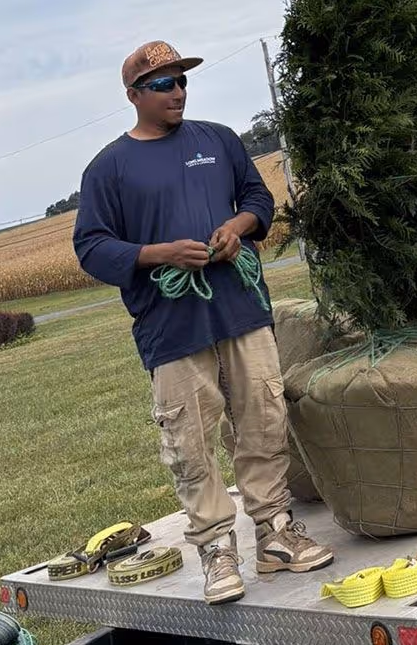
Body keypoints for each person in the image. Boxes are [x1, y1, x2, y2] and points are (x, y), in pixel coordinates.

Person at [73, 41, 333, 604]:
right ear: (134, 95)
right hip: (171, 327)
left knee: (263, 419)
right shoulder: (108, 169)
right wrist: (158, 254)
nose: (178, 92)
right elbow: (91, 248)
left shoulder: (218, 140)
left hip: (239, 307)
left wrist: (238, 227)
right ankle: (216, 549)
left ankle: (275, 535)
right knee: (190, 440)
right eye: (163, 84)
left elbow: (258, 199)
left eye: (182, 81)